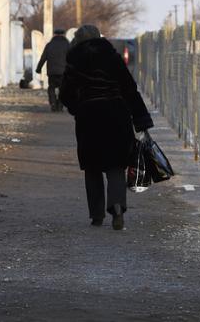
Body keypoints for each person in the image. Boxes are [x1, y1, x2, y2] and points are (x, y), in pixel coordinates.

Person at [59, 25, 154, 230]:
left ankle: (96, 215)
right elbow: (130, 89)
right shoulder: (112, 57)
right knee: (116, 165)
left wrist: (78, 108)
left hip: (88, 118)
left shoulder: (74, 61)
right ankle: (117, 208)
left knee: (92, 167)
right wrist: (141, 118)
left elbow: (64, 94)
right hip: (116, 115)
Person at [36, 28, 69, 111]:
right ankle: (60, 104)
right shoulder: (67, 45)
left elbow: (43, 58)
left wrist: (38, 69)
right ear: (64, 34)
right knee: (63, 88)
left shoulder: (49, 45)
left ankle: (53, 103)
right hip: (64, 72)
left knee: (51, 87)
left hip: (52, 72)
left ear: (54, 35)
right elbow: (73, 58)